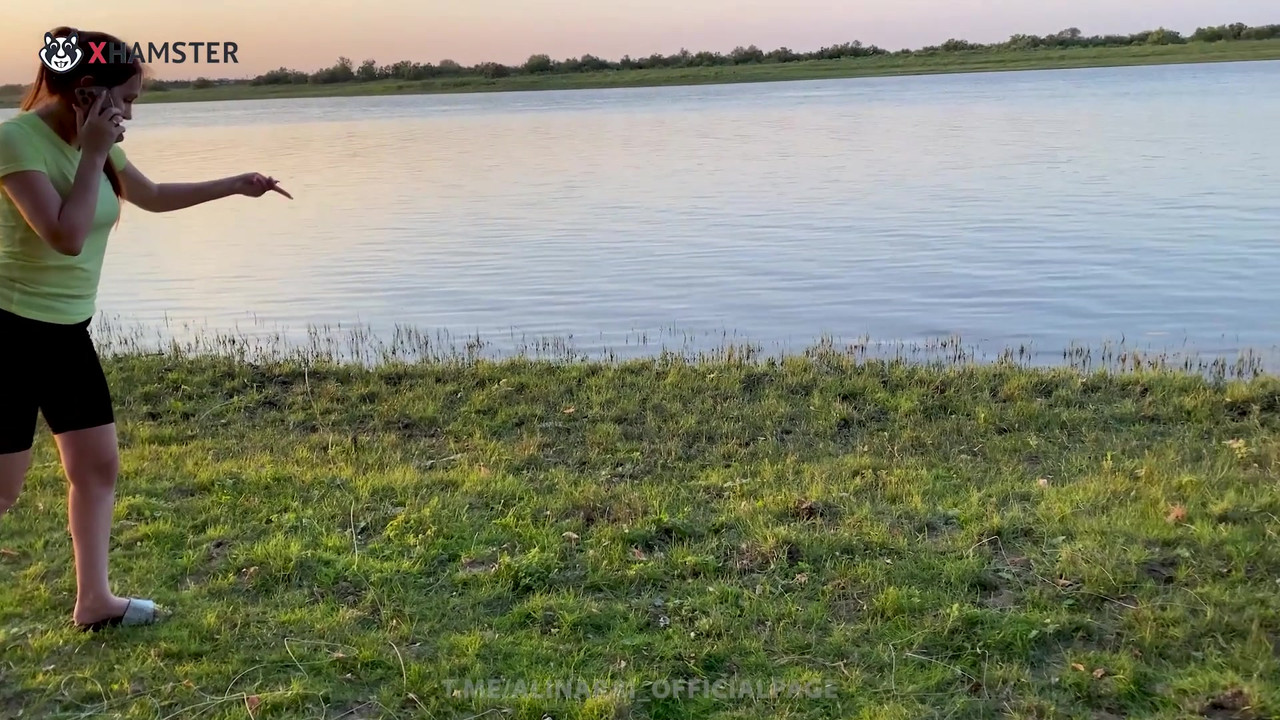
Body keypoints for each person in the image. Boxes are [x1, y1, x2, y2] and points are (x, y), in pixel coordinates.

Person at [0, 27, 290, 631]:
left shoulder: (96, 143)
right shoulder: (14, 140)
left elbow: (151, 196)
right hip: (11, 334)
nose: (129, 113)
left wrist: (236, 185)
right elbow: (65, 236)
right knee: (3, 489)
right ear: (86, 92)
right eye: (124, 100)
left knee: (97, 465)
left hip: (65, 331)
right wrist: (93, 153)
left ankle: (95, 601)